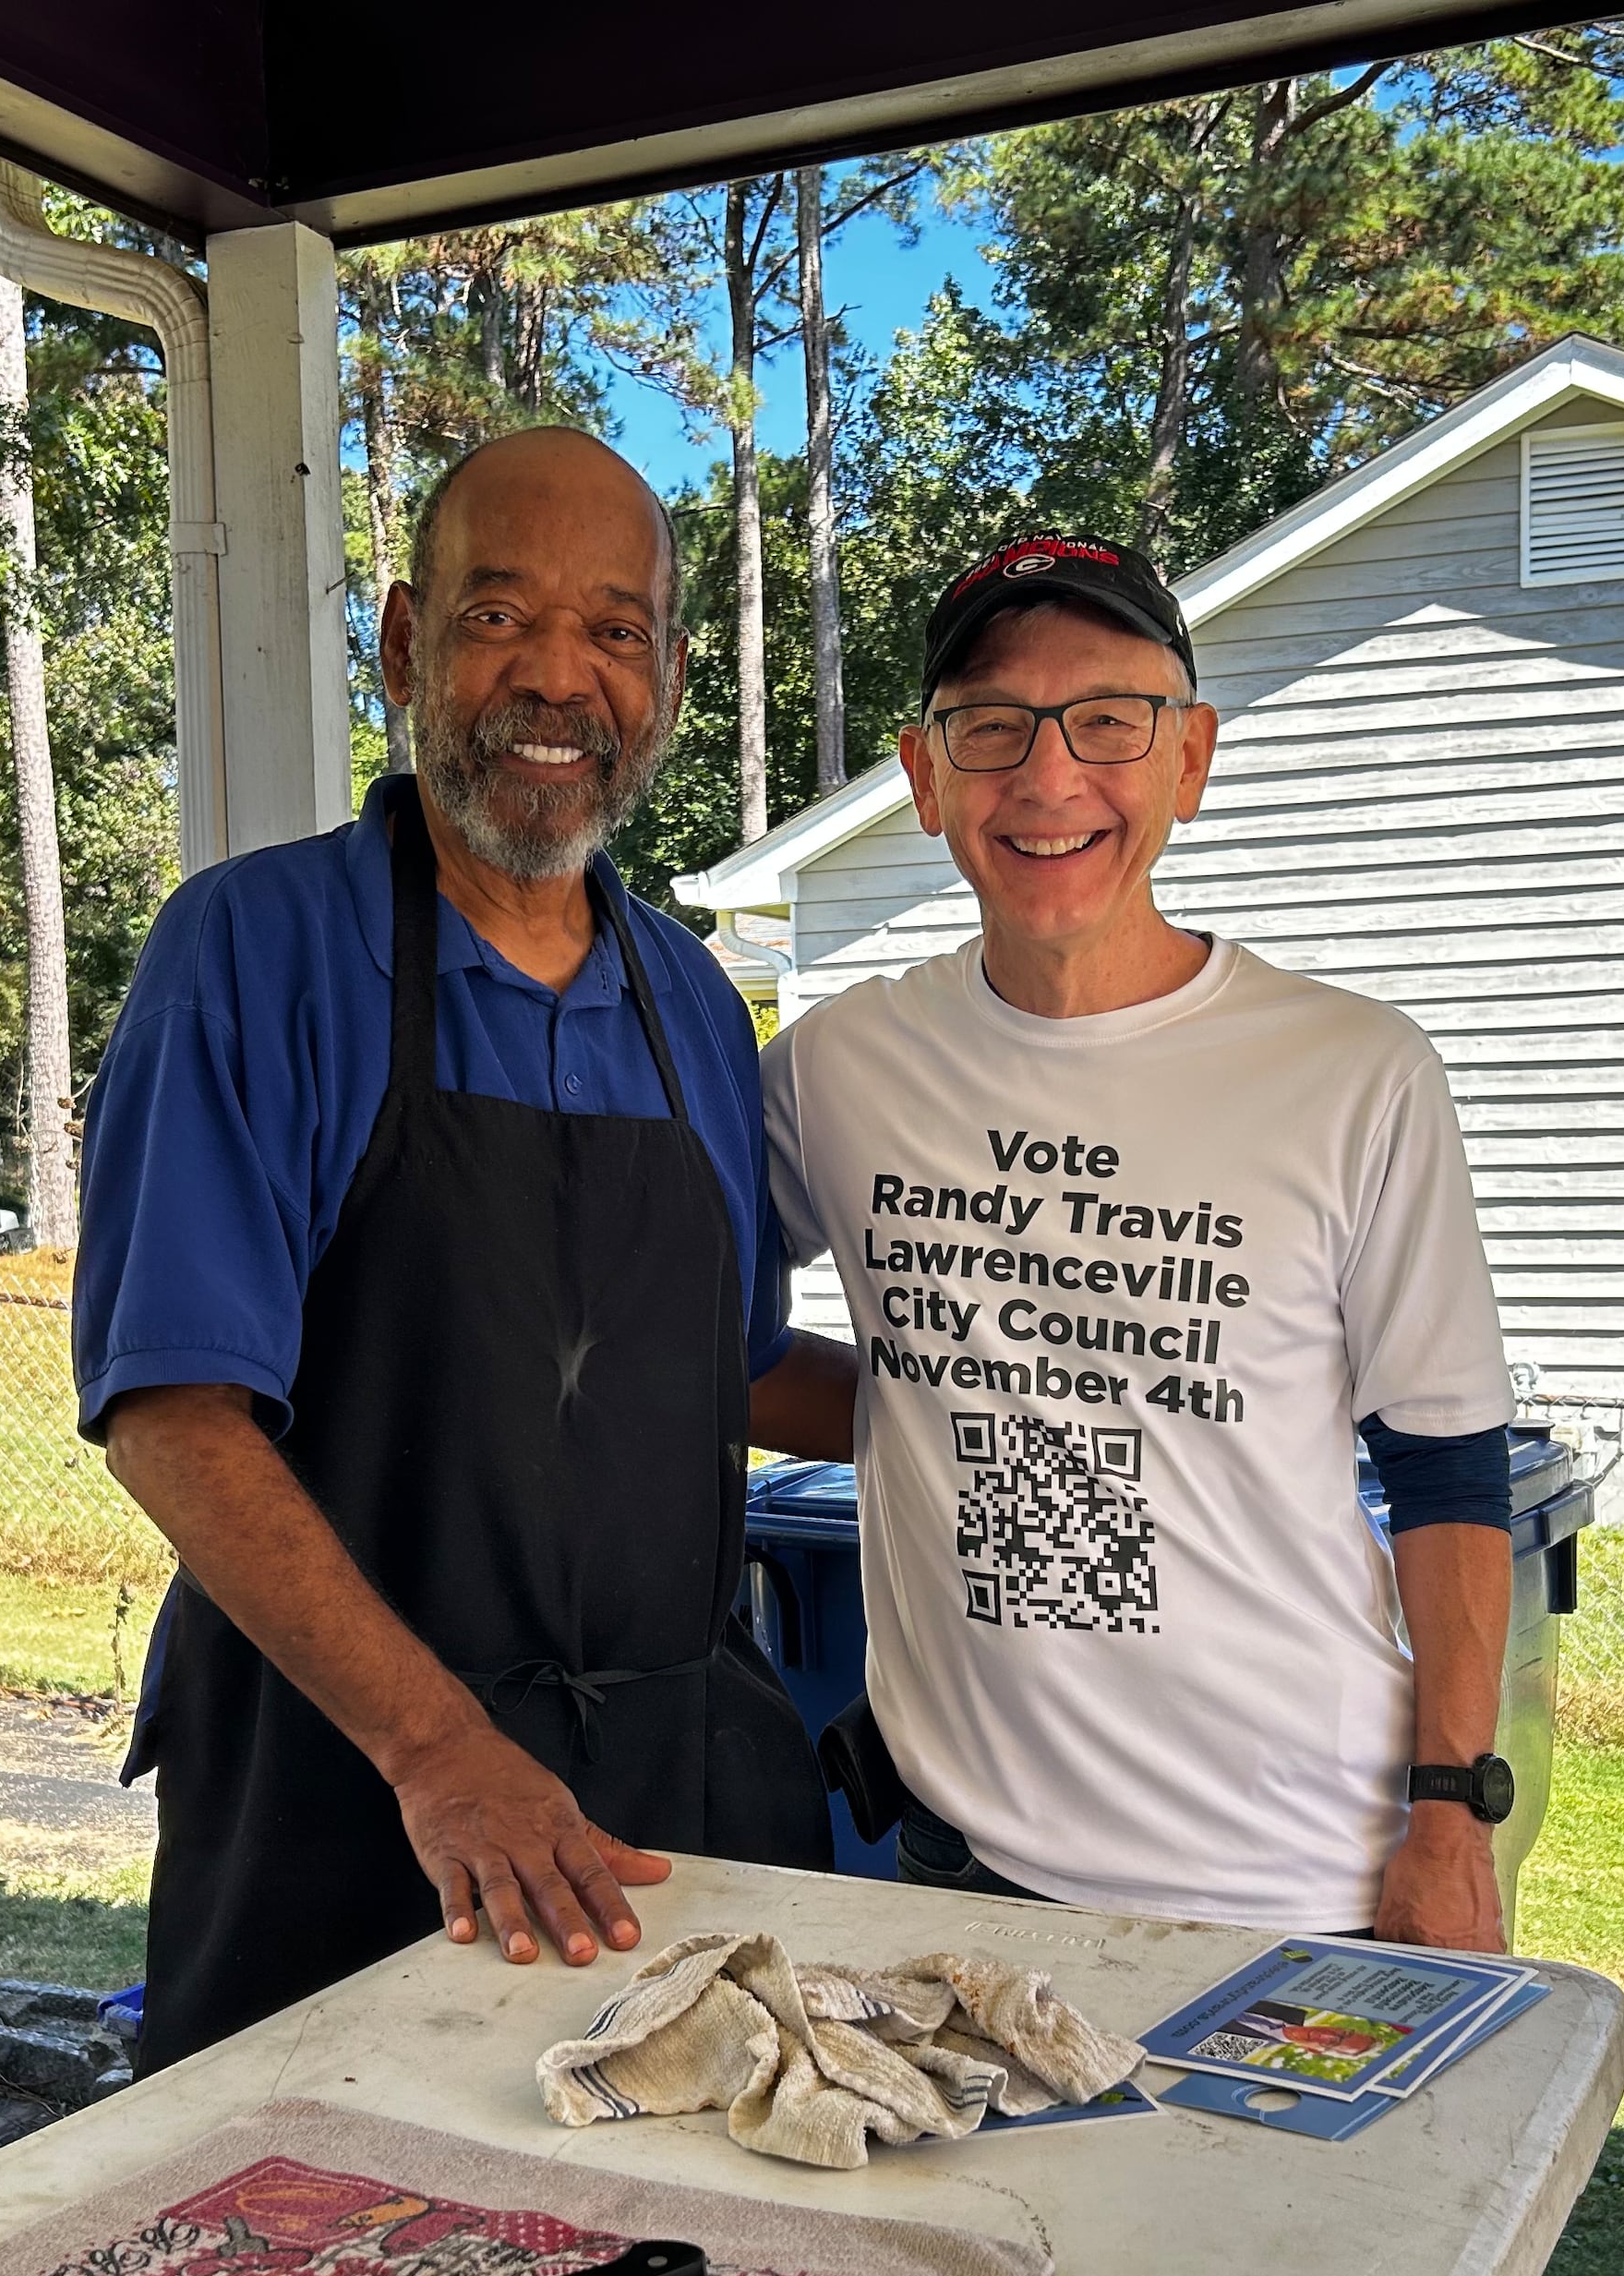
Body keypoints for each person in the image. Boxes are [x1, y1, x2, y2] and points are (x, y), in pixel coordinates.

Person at [75, 427, 832, 2069]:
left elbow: (737, 1371)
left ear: (673, 677)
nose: (558, 679)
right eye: (501, 619)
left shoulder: (694, 1004)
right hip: (353, 1805)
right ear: (411, 645)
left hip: (658, 1813)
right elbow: (174, 1418)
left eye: (614, 631)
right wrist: (442, 1753)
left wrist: (1023, 1399)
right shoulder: (255, 951)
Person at [756, 534, 1522, 1949]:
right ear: (924, 779)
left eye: (1109, 720)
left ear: (1191, 758)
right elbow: (699, 1348)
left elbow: (1451, 1469)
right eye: (991, 729)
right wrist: (922, 1412)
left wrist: (1450, 1817)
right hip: (964, 1879)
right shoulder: (837, 1071)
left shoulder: (1353, 1072)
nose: (1050, 779)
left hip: (1304, 1882)